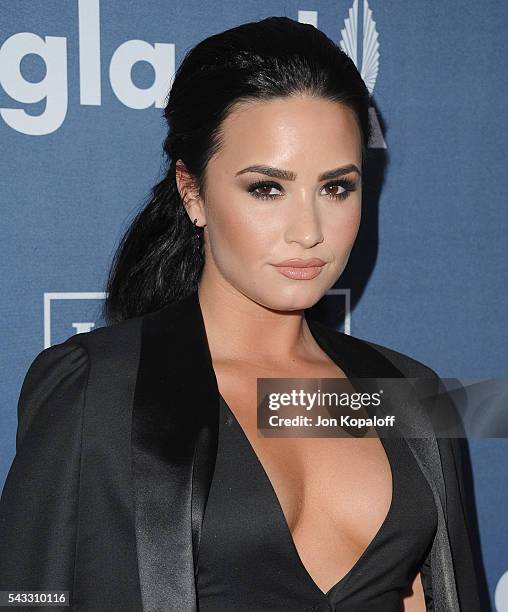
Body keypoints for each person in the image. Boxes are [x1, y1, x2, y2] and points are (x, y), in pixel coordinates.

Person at [0, 16, 484, 612]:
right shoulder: (98, 388)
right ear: (192, 192)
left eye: (336, 188)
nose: (308, 232)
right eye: (266, 188)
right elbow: (26, 594)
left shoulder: (404, 396)